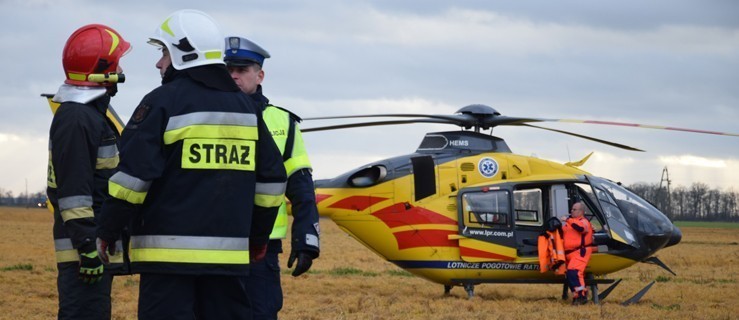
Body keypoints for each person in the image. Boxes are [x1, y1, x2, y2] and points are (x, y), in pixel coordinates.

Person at [95, 10, 287, 319]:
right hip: (229, 265)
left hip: (167, 264)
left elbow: (132, 179)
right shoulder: (247, 109)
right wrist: (258, 237)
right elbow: (272, 180)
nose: (159, 63)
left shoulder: (161, 102)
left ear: (184, 54)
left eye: (163, 53)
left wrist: (107, 229)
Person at [224, 36, 321, 319]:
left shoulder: (282, 122)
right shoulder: (208, 114)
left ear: (260, 74)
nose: (234, 76)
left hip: (262, 247)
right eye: (228, 70)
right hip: (213, 240)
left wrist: (306, 241)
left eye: (241, 70)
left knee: (261, 312)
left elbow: (301, 186)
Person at [47, 24, 130, 319]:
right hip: (82, 253)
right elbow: (74, 195)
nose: (121, 69)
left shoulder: (89, 114)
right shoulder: (78, 118)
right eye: (116, 63)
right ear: (101, 70)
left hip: (90, 246)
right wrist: (87, 249)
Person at [561, 201, 594, 305]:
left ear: (581, 211)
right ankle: (577, 296)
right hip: (570, 253)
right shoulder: (570, 223)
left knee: (574, 272)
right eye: (572, 209)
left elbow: (581, 229)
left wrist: (567, 219)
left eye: (574, 209)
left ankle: (581, 296)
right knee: (572, 275)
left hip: (580, 252)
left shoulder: (583, 221)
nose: (572, 211)